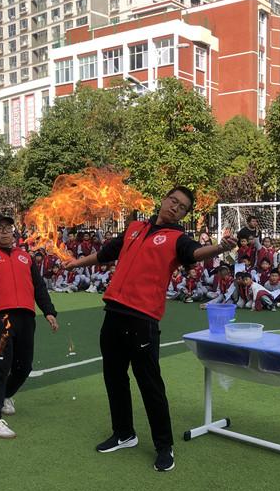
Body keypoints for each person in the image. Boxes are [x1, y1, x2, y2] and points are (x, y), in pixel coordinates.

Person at [64, 187, 237, 472]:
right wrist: (76, 263)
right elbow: (106, 253)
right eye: (173, 201)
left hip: (142, 319)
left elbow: (195, 253)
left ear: (184, 214)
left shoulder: (177, 239)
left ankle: (164, 445)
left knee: (149, 383)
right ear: (164, 199)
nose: (175, 207)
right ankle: (124, 433)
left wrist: (220, 247)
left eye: (181, 207)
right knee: (114, 377)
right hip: (114, 313)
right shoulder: (133, 228)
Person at [0, 214, 59, 439]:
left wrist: (49, 311)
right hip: (1, 318)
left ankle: (5, 395)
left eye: (8, 228)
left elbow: (38, 287)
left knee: (24, 366)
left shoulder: (24, 256)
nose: (5, 232)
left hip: (26, 317)